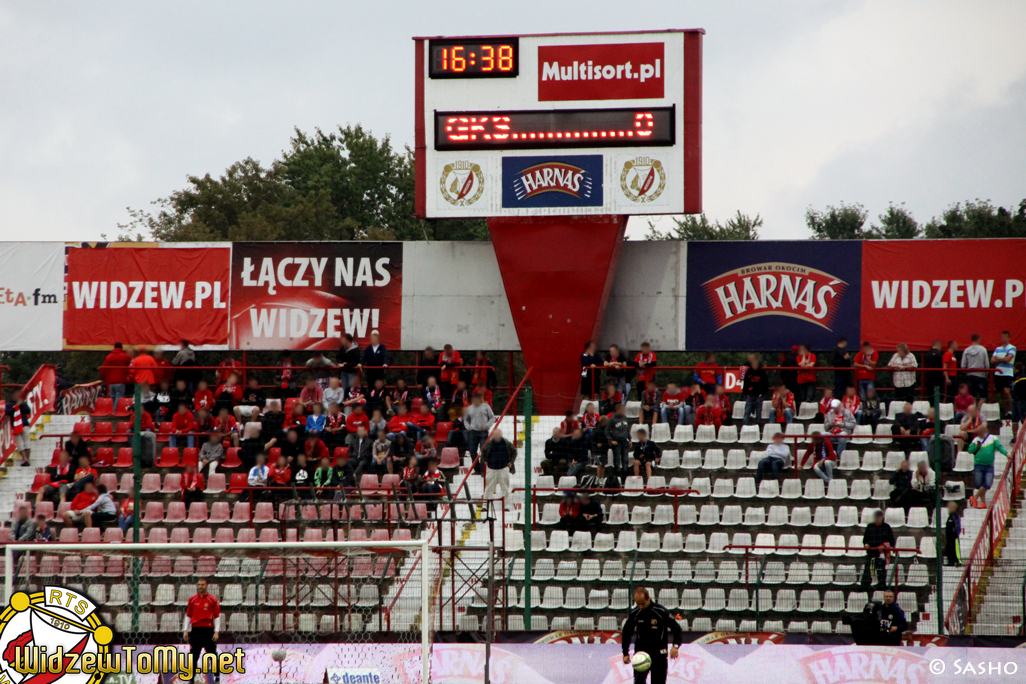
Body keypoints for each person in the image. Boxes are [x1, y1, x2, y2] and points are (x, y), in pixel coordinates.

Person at [621, 587, 682, 684]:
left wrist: (675, 646)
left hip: (659, 655)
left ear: (648, 598)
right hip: (641, 655)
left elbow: (677, 629)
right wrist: (625, 653)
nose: (640, 606)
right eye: (638, 604)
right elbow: (627, 632)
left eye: (642, 603)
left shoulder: (660, 611)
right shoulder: (635, 613)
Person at [183, 578, 220, 674]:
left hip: (208, 630)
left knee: (212, 655)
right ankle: (191, 678)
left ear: (206, 586)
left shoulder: (212, 599)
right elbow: (188, 615)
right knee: (193, 655)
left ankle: (217, 677)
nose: (200, 586)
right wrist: (185, 630)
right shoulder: (192, 599)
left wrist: (216, 631)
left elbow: (216, 616)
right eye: (199, 584)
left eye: (203, 584)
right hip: (196, 630)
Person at [968, 424, 1007, 508]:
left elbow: (999, 447)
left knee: (988, 483)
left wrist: (1007, 454)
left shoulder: (993, 438)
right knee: (980, 484)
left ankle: (974, 497)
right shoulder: (976, 440)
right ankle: (983, 503)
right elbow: (970, 450)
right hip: (978, 464)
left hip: (989, 465)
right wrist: (976, 447)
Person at [861, 509, 895, 590]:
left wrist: (884, 547)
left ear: (882, 517)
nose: (877, 519)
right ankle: (865, 588)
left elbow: (892, 541)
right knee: (868, 573)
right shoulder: (869, 526)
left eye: (878, 517)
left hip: (881, 556)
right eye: (876, 517)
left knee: (881, 573)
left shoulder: (887, 527)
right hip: (871, 554)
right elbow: (865, 539)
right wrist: (866, 544)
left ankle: (881, 588)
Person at [481, 429, 516, 507]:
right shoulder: (489, 444)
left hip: (503, 468)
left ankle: (507, 506)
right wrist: (485, 460)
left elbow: (514, 451)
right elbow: (483, 452)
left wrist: (511, 462)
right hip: (491, 468)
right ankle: (485, 506)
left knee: (505, 489)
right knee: (489, 488)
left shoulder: (506, 443)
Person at [464, 392, 495, 460]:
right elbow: (465, 419)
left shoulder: (486, 406)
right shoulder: (470, 408)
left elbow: (492, 417)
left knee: (484, 451)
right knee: (472, 451)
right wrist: (469, 427)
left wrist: (486, 426)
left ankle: (482, 468)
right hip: (473, 432)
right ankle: (477, 468)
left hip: (483, 432)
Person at [4, 391, 32, 466]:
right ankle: (26, 460)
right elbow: (8, 412)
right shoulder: (10, 404)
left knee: (24, 443)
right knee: (23, 443)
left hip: (21, 425)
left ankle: (26, 459)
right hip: (19, 425)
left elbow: (28, 411)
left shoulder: (21, 403)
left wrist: (21, 404)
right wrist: (17, 406)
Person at [992, 331, 1016, 415]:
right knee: (1001, 393)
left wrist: (997, 359)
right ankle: (1007, 412)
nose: (1004, 339)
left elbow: (1007, 359)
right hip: (998, 374)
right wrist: (1002, 358)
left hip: (1007, 373)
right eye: (1002, 337)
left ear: (1009, 338)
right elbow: (992, 360)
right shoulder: (998, 349)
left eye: (1005, 337)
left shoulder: (1012, 348)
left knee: (1007, 391)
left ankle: (1013, 410)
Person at [741, 353, 769, 425]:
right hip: (750, 395)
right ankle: (745, 425)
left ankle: (758, 425)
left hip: (759, 395)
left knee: (758, 411)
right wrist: (747, 393)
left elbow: (766, 385)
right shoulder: (748, 373)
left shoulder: (762, 374)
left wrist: (762, 393)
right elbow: (745, 385)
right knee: (747, 411)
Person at [961, 333, 990, 402]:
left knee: (972, 396)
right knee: (983, 396)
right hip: (981, 376)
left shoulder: (966, 350)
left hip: (970, 376)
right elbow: (987, 365)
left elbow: (963, 366)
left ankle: (973, 411)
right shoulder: (983, 350)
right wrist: (986, 375)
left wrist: (967, 372)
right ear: (979, 339)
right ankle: (978, 410)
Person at [605, 404, 631, 476]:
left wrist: (630, 439)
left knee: (625, 459)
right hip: (617, 442)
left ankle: (625, 474)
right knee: (617, 459)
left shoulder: (625, 417)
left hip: (625, 441)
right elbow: (606, 431)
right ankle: (617, 474)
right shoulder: (612, 419)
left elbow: (627, 429)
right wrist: (611, 440)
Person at [944, 500, 962, 566]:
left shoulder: (955, 516)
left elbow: (957, 526)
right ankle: (950, 561)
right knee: (949, 549)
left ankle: (958, 561)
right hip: (949, 536)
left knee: (955, 549)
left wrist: (956, 533)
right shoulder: (950, 516)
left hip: (954, 536)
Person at [1012, 362, 1026, 433]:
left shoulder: (1022, 377)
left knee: (1022, 420)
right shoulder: (1018, 376)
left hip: (1020, 400)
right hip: (1017, 400)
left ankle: (1016, 437)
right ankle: (1015, 438)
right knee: (1015, 420)